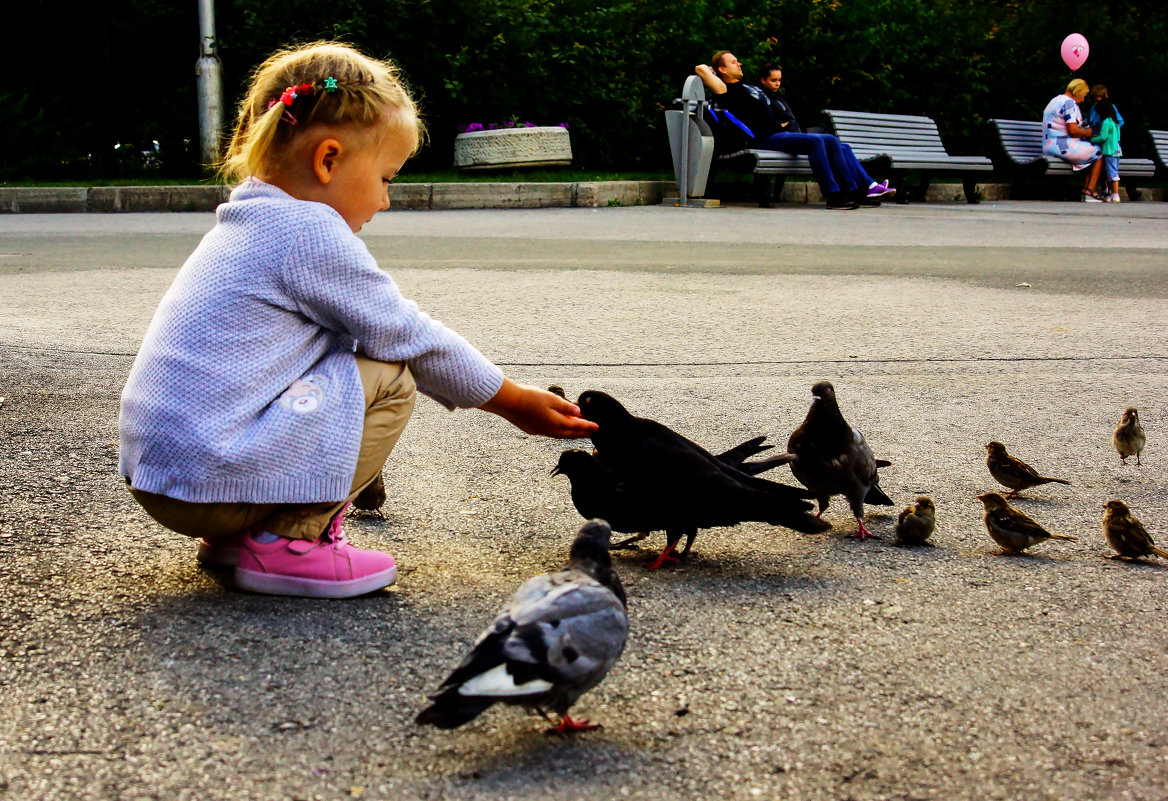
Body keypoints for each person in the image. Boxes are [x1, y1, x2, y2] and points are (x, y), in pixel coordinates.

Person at [118, 42, 597, 599]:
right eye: (388, 177)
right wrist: (512, 401)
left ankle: (244, 535)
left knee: (339, 357)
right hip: (211, 480)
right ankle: (289, 542)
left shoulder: (248, 217)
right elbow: (408, 335)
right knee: (389, 377)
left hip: (166, 477)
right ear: (328, 160)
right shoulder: (307, 233)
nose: (387, 200)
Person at [695, 51, 894, 210]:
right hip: (765, 139)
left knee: (835, 143)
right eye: (733, 62)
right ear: (721, 69)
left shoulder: (748, 87)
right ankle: (833, 196)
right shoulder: (725, 90)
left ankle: (854, 191)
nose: (739, 64)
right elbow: (700, 69)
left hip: (780, 135)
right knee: (817, 141)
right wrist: (712, 71)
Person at [1041, 78, 1104, 202]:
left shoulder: (1055, 100)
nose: (1083, 100)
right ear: (1079, 91)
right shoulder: (1069, 103)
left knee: (1089, 149)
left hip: (1048, 145)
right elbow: (1073, 131)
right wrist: (1091, 132)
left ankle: (1087, 190)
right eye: (1084, 95)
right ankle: (1090, 191)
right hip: (1062, 145)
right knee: (1099, 151)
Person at [1090, 97, 1122, 202]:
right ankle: (1113, 194)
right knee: (1114, 170)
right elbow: (1118, 137)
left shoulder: (1106, 122)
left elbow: (1103, 137)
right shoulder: (1114, 122)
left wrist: (1093, 139)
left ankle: (1115, 194)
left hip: (1109, 151)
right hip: (1117, 150)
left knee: (1111, 173)